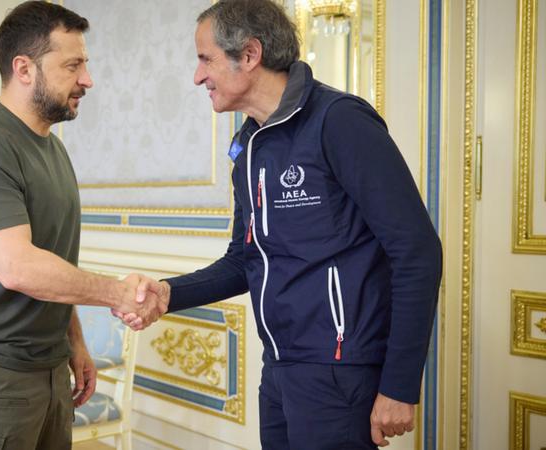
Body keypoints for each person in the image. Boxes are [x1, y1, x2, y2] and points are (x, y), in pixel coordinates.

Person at [119, 0, 442, 448]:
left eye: (205, 59)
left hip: (339, 369)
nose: (198, 77)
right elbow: (244, 260)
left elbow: (417, 252)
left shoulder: (340, 121)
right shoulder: (247, 145)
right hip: (280, 368)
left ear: (249, 55)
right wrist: (169, 293)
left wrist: (400, 386)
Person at [0, 2, 165, 449]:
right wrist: (119, 293)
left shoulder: (52, 149)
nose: (87, 80)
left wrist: (73, 341)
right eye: (72, 65)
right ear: (24, 68)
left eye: (85, 65)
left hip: (50, 368)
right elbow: (19, 267)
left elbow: (52, 262)